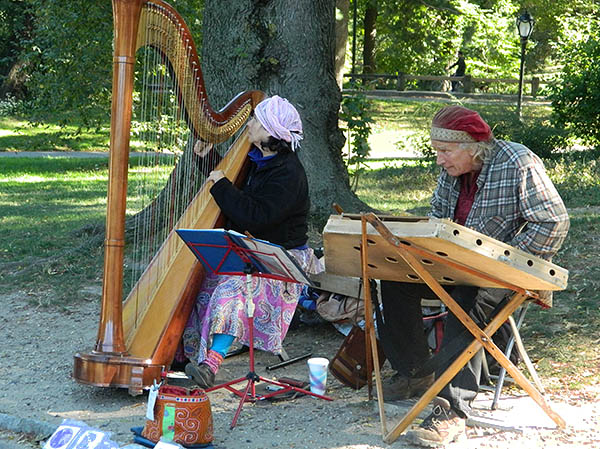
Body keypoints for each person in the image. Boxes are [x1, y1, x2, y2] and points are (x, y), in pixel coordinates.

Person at [377, 105, 570, 447]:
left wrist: (505, 260)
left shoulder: (517, 163)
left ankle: (450, 411)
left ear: (472, 148)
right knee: (393, 278)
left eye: (445, 151)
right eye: (437, 151)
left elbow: (554, 222)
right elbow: (438, 219)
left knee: (468, 296)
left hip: (507, 274)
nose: (440, 160)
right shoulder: (453, 174)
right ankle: (416, 372)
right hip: (456, 265)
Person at [181, 95, 323, 389]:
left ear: (271, 131)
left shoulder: (289, 174)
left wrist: (219, 185)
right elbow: (236, 187)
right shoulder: (258, 159)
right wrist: (207, 159)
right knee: (199, 280)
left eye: (257, 120)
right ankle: (185, 355)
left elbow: (255, 216)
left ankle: (211, 365)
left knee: (232, 288)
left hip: (281, 258)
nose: (250, 123)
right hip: (251, 249)